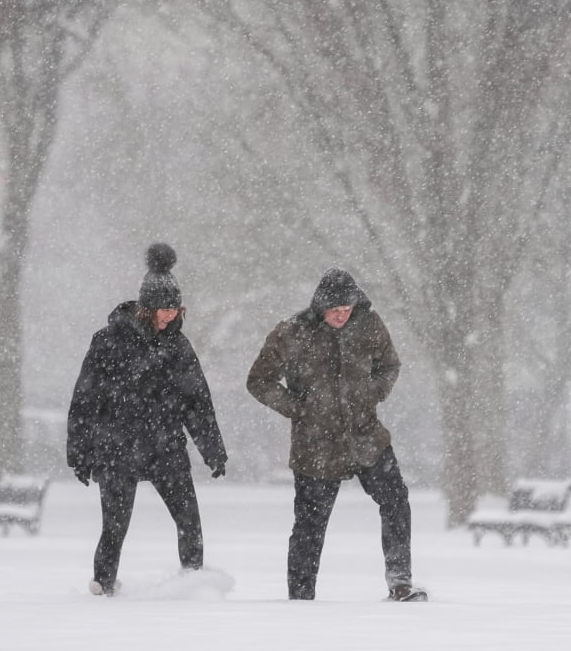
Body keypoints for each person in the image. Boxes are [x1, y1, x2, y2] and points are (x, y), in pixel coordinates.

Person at [247, 267, 427, 602]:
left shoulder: (370, 325)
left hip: (367, 438)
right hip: (315, 445)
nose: (342, 316)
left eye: (347, 309)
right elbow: (258, 381)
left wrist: (373, 392)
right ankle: (301, 597)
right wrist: (298, 407)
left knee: (396, 501)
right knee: (310, 525)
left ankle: (400, 582)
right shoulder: (291, 332)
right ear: (320, 307)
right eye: (335, 310)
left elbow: (390, 366)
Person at [66, 243, 227, 597]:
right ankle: (103, 586)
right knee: (115, 526)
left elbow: (197, 403)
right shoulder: (108, 342)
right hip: (116, 449)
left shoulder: (178, 347)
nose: (170, 315)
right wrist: (79, 451)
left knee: (189, 521)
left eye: (175, 308)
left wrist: (212, 449)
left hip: (165, 448)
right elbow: (85, 400)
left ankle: (193, 583)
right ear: (146, 308)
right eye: (164, 309)